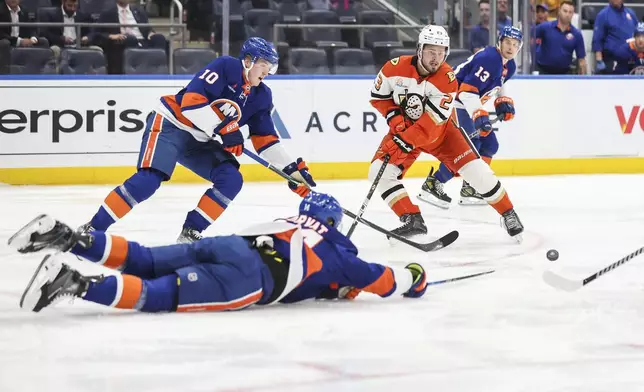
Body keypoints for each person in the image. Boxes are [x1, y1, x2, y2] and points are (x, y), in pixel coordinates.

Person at [9, 192, 428, 313]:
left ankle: (68, 237)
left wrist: (330, 287)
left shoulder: (284, 220)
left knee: (144, 259)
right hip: (253, 277)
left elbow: (316, 280)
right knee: (161, 294)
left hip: (231, 243)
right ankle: (75, 282)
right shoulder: (339, 249)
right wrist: (415, 277)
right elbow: (382, 279)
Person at [78, 36, 316, 243]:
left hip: (199, 140)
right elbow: (191, 103)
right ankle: (92, 228)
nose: (267, 73)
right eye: (264, 65)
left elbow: (265, 139)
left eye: (271, 68)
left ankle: (191, 231)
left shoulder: (262, 95)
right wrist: (226, 128)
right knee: (149, 180)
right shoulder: (225, 67)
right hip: (172, 124)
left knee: (231, 179)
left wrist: (291, 170)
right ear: (247, 61)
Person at [367, 25, 524, 242]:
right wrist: (395, 119)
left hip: (443, 135)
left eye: (441, 52)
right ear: (419, 49)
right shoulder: (393, 68)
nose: (436, 58)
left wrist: (404, 139)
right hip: (404, 131)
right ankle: (412, 219)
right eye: (432, 51)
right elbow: (379, 97)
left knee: (479, 172)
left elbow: (431, 125)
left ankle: (508, 213)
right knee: (378, 171)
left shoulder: (447, 78)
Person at [417, 26, 521, 209]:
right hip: (452, 101)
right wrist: (478, 114)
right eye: (507, 42)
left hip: (463, 103)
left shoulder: (508, 65)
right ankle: (433, 184)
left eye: (515, 44)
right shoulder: (490, 59)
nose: (511, 47)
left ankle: (470, 188)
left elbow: (497, 83)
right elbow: (465, 92)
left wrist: (501, 101)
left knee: (490, 145)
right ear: (499, 42)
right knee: (468, 148)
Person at [535, 1, 587, 75]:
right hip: (543, 72)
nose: (567, 14)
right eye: (565, 11)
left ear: (573, 14)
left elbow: (581, 60)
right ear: (559, 11)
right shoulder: (545, 27)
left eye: (570, 12)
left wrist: (583, 79)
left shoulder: (576, 34)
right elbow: (527, 36)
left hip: (564, 74)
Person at [591, 0, 638, 74]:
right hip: (612, 60)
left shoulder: (631, 13)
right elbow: (597, 40)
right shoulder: (603, 15)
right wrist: (599, 61)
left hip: (631, 60)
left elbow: (638, 34)